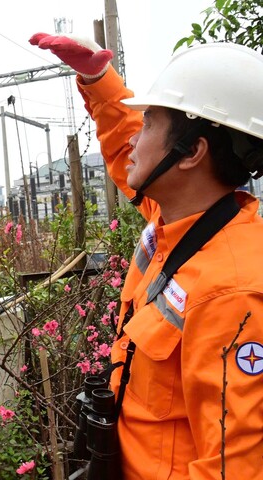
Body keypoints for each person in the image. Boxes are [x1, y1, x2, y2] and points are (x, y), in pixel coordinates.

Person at [30, 34, 263, 479]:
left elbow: (232, 467)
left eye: (150, 123)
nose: (135, 139)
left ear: (192, 153)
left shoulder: (232, 290)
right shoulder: (178, 222)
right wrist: (98, 79)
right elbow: (125, 148)